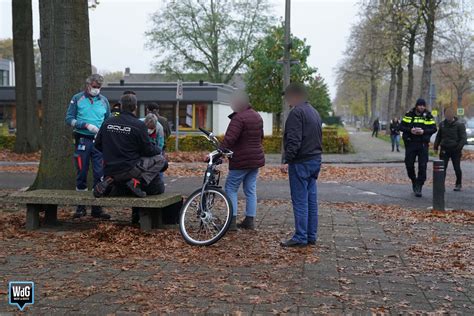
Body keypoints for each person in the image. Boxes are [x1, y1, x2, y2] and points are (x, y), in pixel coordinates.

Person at [93, 93, 168, 203]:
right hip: (129, 169)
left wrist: (111, 153)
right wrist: (158, 150)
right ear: (135, 107)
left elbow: (97, 144)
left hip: (110, 168)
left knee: (117, 173)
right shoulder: (138, 125)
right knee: (161, 160)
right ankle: (136, 182)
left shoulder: (108, 122)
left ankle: (110, 179)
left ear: (121, 106)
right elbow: (148, 150)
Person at [280, 83, 322, 247]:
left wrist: (287, 160)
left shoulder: (296, 113)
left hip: (301, 162)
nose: (287, 100)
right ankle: (311, 235)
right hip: (314, 159)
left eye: (288, 96)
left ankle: (300, 237)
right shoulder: (314, 112)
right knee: (311, 200)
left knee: (300, 201)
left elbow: (294, 140)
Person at [65, 74, 111, 219]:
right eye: (94, 87)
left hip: (99, 143)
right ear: (88, 85)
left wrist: (104, 132)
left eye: (99, 87)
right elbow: (69, 119)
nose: (96, 89)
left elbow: (108, 120)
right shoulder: (77, 98)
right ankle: (80, 207)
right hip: (82, 140)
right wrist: (85, 125)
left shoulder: (104, 101)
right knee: (82, 174)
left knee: (99, 174)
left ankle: (97, 208)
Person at [221, 92, 265, 231]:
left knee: (231, 188)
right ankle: (249, 220)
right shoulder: (257, 116)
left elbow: (230, 139)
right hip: (255, 159)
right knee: (250, 189)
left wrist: (220, 151)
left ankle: (231, 223)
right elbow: (261, 137)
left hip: (241, 159)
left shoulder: (238, 118)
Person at [399, 98, 437, 197]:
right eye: (420, 105)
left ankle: (419, 186)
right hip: (411, 143)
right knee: (409, 164)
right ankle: (413, 180)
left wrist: (423, 131)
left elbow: (434, 128)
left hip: (423, 144)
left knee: (423, 166)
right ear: (416, 106)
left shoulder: (428, 115)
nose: (422, 107)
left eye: (423, 105)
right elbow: (401, 127)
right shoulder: (409, 114)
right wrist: (410, 130)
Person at [434, 107, 467, 191]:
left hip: (455, 150)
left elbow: (463, 138)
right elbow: (439, 136)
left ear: (453, 114)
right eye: (447, 113)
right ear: (445, 114)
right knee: (442, 168)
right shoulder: (442, 124)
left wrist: (458, 148)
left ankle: (458, 184)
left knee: (457, 168)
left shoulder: (459, 125)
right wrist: (436, 147)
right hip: (444, 149)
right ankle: (441, 185)